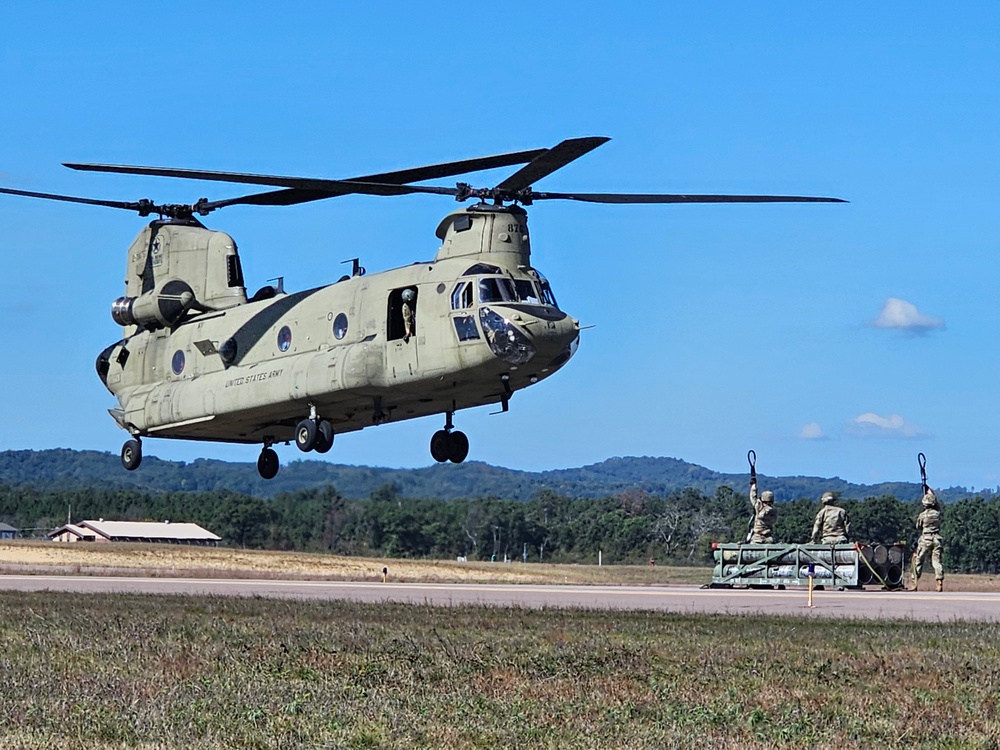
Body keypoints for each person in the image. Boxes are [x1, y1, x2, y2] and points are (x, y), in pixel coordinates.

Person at [911, 488, 944, 592]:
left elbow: (918, 526)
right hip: (936, 539)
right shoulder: (937, 513)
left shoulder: (922, 515)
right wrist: (930, 491)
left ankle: (914, 583)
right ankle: (939, 583)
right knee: (936, 562)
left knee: (918, 560)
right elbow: (937, 504)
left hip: (926, 539)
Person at [748, 476, 776, 544]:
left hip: (757, 537)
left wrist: (753, 485)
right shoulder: (774, 511)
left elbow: (753, 497)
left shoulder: (759, 507)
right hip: (768, 538)